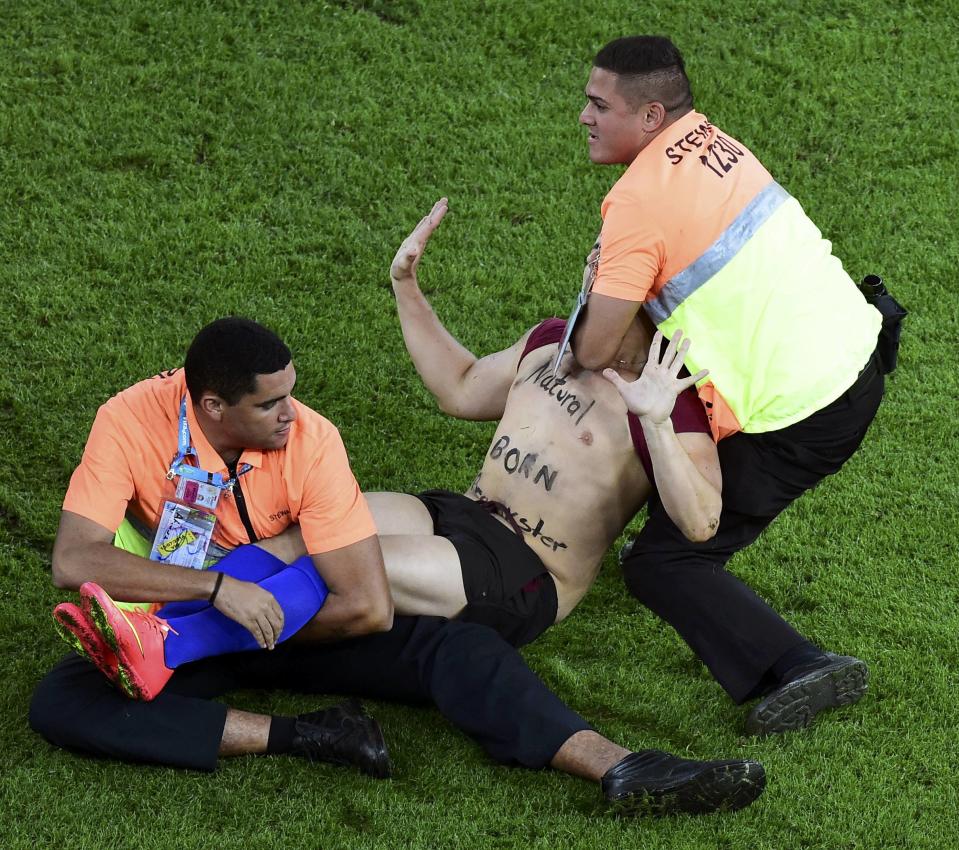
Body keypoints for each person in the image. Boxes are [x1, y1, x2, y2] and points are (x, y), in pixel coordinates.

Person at [31, 316, 766, 817]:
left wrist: (247, 617)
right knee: (60, 703)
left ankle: (619, 766)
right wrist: (217, 593)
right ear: (213, 405)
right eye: (272, 404)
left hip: (308, 620)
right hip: (191, 611)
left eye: (292, 393)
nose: (295, 414)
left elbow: (366, 609)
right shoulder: (131, 421)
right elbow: (75, 559)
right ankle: (307, 735)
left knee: (461, 647)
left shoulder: (312, 440)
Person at [569, 35, 891, 735]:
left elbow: (594, 348)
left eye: (599, 105)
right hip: (858, 356)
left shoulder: (635, 205)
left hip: (801, 415)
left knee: (665, 562)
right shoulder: (714, 142)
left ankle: (801, 663)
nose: (584, 117)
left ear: (650, 115)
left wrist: (597, 280)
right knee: (670, 450)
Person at [362, 197, 720, 655]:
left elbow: (702, 521)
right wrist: (405, 285)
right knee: (323, 530)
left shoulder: (669, 396)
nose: (593, 266)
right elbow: (461, 386)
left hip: (525, 570)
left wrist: (656, 423)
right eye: (599, 251)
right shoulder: (551, 338)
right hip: (460, 514)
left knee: (352, 564)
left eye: (611, 262)